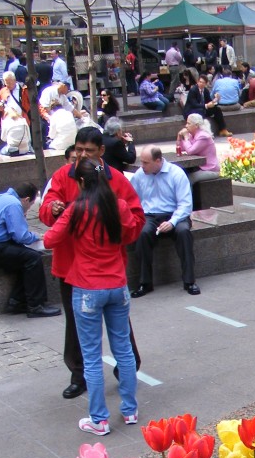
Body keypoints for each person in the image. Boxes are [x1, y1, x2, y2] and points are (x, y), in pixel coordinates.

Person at [40, 126, 145, 399]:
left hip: (107, 268)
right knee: (75, 324)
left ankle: (127, 370)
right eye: (78, 150)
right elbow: (47, 206)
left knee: (120, 328)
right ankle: (79, 375)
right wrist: (52, 209)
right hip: (70, 265)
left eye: (88, 150)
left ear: (101, 151)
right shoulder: (62, 176)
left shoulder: (118, 181)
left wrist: (116, 229)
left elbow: (135, 218)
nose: (82, 155)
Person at [0, 183, 60, 318]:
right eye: (30, 206)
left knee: (24, 257)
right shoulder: (13, 204)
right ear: (26, 199)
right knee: (33, 258)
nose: (27, 209)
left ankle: (17, 301)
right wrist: (37, 236)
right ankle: (35, 305)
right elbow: (21, 236)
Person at [130, 146, 197, 297]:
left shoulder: (176, 174)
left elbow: (185, 205)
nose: (142, 166)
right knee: (142, 233)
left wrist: (172, 222)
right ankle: (145, 283)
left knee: (184, 232)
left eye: (146, 163)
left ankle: (189, 281)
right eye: (142, 162)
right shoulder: (140, 175)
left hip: (175, 214)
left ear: (158, 161)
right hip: (150, 215)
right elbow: (133, 199)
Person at [176, 113, 221, 207]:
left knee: (189, 179)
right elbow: (181, 149)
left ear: (196, 125)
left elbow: (190, 151)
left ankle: (187, 206)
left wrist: (186, 138)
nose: (186, 126)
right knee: (181, 175)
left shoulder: (203, 136)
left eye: (188, 124)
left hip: (210, 169)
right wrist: (179, 137)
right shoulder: (192, 135)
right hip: (200, 167)